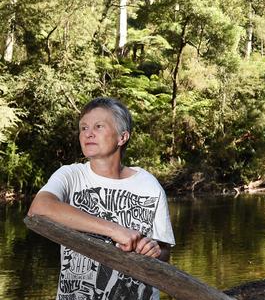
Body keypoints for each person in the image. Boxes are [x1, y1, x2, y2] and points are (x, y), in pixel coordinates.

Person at [28, 97, 175, 300]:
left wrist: (153, 250)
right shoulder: (71, 175)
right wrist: (116, 230)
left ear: (122, 137)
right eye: (83, 128)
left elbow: (165, 254)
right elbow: (39, 208)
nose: (88, 133)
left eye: (98, 126)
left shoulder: (149, 185)